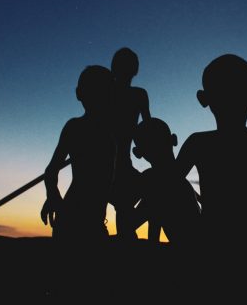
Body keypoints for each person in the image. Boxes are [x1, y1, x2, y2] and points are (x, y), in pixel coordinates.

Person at [176, 54, 247, 254]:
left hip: (208, 242)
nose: (229, 99)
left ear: (204, 99)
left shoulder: (198, 143)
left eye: (234, 91)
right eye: (224, 91)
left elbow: (168, 184)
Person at [40, 65, 116, 245]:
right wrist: (53, 197)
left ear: (79, 93)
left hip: (74, 216)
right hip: (86, 221)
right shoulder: (107, 132)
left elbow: (51, 171)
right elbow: (51, 171)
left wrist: (53, 197)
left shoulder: (75, 127)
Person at [128, 117, 200, 246]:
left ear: (138, 153)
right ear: (173, 140)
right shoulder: (180, 182)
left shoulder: (152, 178)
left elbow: (133, 220)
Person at [109, 47, 151, 239]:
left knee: (125, 207)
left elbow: (147, 129)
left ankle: (126, 235)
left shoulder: (139, 95)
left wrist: (144, 146)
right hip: (106, 165)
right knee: (125, 206)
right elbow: (146, 129)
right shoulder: (107, 92)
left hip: (122, 164)